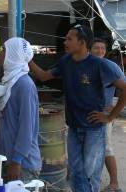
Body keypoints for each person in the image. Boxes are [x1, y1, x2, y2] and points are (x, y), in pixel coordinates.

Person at [29, 24, 126, 192]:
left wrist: (110, 117)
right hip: (73, 127)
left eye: (69, 39)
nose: (65, 41)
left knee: (89, 174)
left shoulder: (100, 65)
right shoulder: (66, 61)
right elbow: (44, 76)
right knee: (75, 173)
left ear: (82, 43)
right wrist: (27, 59)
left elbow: (125, 87)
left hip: (94, 130)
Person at [0, 37, 41, 182]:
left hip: (22, 163)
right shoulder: (11, 81)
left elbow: (27, 128)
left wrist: (17, 161)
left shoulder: (24, 85)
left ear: (14, 54)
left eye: (4, 50)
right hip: (10, 157)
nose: (0, 53)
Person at [91, 38, 122, 192]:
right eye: (96, 48)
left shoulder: (110, 67)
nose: (100, 51)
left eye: (102, 48)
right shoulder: (85, 66)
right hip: (85, 116)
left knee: (107, 149)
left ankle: (114, 183)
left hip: (103, 116)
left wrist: (114, 108)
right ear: (89, 49)